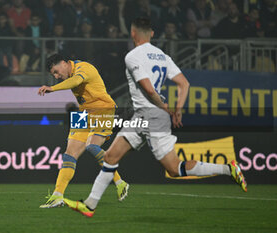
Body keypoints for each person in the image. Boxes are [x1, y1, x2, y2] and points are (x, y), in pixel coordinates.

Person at [63, 17, 248, 218]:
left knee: (174, 168)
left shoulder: (132, 56)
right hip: (143, 116)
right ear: (151, 33)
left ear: (133, 33)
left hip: (153, 115)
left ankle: (228, 169)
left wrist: (166, 108)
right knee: (110, 156)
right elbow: (184, 84)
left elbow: (149, 90)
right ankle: (90, 205)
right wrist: (177, 109)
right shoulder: (163, 56)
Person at [37, 54, 129, 208]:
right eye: (53, 74)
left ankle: (120, 182)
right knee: (69, 154)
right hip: (84, 113)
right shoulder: (70, 73)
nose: (57, 76)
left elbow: (76, 81)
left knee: (92, 146)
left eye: (56, 71)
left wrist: (52, 88)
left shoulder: (83, 67)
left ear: (65, 63)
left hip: (103, 109)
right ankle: (57, 196)